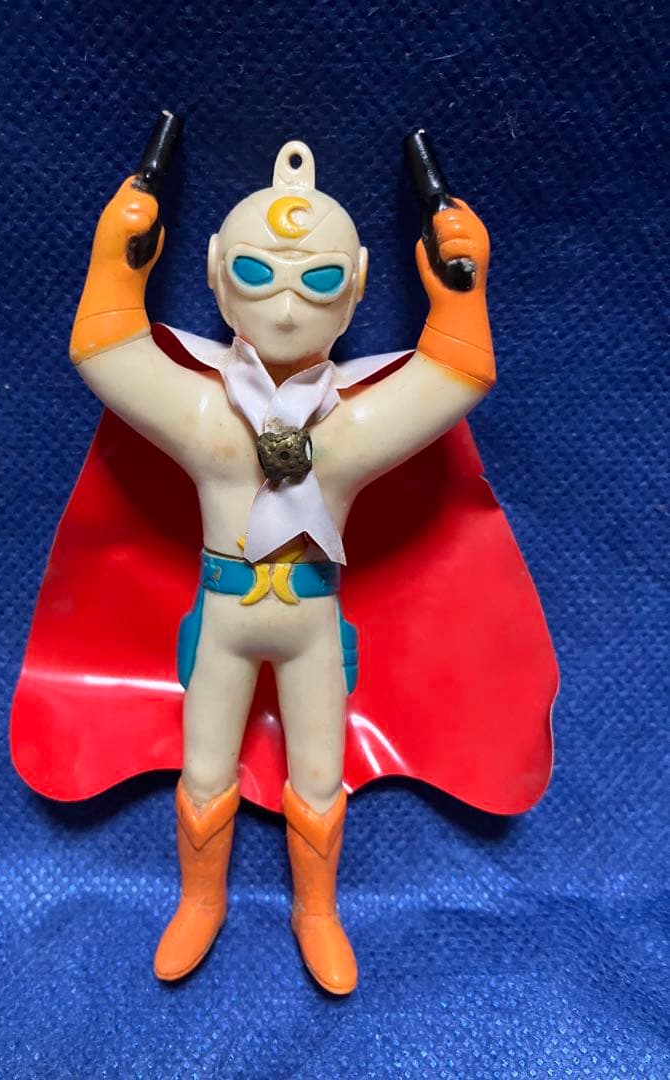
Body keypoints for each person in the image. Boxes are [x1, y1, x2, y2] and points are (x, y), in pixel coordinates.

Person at [66, 140, 495, 994]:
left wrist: (462, 289)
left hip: (312, 621)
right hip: (225, 617)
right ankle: (201, 900)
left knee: (321, 774)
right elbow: (104, 350)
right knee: (203, 769)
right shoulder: (204, 414)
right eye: (258, 273)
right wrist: (116, 259)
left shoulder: (349, 429)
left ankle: (318, 911)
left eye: (319, 279)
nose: (289, 305)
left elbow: (458, 373)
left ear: (359, 284)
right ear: (216, 275)